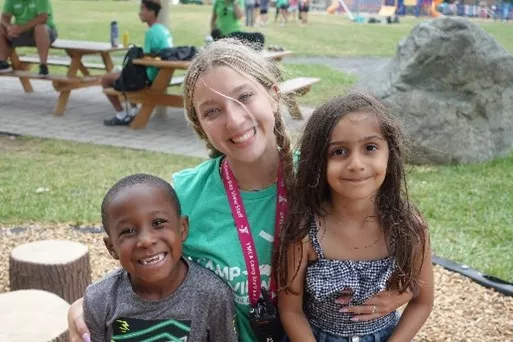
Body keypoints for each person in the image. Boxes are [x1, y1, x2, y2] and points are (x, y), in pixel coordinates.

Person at [67, 39, 413, 342]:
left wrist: (405, 289)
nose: (233, 120)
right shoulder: (185, 194)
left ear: (273, 96)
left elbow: (394, 225)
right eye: (212, 111)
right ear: (200, 126)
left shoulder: (325, 179)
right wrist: (90, 305)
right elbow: (148, 251)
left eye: (244, 96)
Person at [277, 93, 434, 341]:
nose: (356, 164)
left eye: (370, 148)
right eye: (339, 151)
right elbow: (290, 311)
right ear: (318, 161)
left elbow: (422, 302)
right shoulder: (305, 232)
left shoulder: (409, 227)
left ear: (390, 153)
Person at [84, 173, 238, 341]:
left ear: (182, 228)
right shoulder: (99, 299)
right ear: (111, 247)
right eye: (128, 231)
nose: (146, 241)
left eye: (158, 223)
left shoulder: (212, 294)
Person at [102, 0, 172, 126]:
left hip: (150, 78)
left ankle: (121, 115)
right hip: (161, 75)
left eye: (142, 10)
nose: (140, 13)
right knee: (123, 72)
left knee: (106, 80)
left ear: (151, 12)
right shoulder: (162, 29)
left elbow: (144, 59)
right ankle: (133, 112)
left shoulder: (151, 32)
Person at [0, 0, 57, 76]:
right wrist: (9, 27)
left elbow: (43, 18)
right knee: (1, 27)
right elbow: (5, 16)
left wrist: (21, 29)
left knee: (39, 27)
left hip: (45, 33)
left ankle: (43, 65)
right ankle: (2, 63)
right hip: (21, 33)